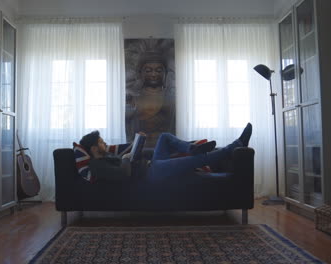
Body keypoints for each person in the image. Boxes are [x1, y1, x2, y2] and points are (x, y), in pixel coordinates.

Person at [79, 123, 252, 183]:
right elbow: (124, 174)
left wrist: (136, 149)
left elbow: (127, 162)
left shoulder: (106, 156)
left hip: (150, 165)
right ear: (94, 149)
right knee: (193, 162)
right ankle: (235, 146)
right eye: (101, 142)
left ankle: (191, 148)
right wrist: (126, 158)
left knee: (165, 136)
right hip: (151, 173)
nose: (105, 143)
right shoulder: (96, 165)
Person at [126, 51, 175, 147]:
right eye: (148, 70)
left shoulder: (172, 98)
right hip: (139, 146)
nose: (153, 74)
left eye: (159, 70)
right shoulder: (132, 98)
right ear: (140, 73)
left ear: (165, 73)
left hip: (164, 146)